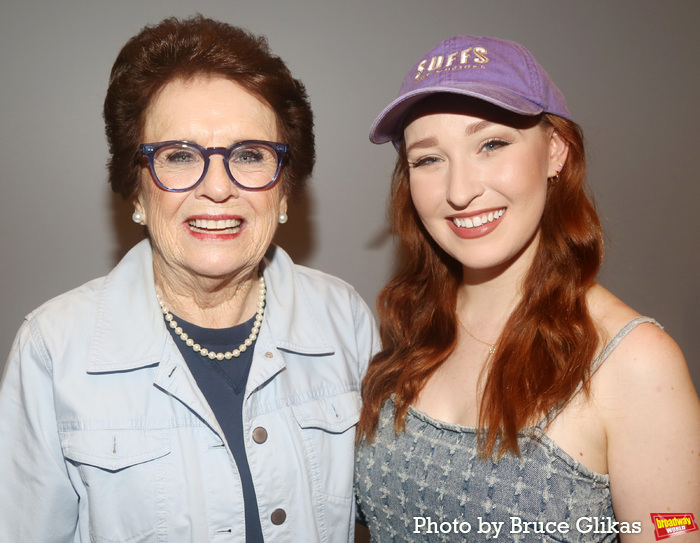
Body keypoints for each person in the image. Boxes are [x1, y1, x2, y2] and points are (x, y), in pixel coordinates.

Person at [0, 16, 377, 543]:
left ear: (285, 193)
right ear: (136, 190)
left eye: (249, 155)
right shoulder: (53, 349)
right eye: (179, 156)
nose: (218, 188)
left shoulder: (346, 320)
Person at [355, 35, 700, 542]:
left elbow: (675, 530)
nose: (459, 191)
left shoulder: (636, 363)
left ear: (556, 151)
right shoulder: (412, 323)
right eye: (428, 159)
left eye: (491, 144)